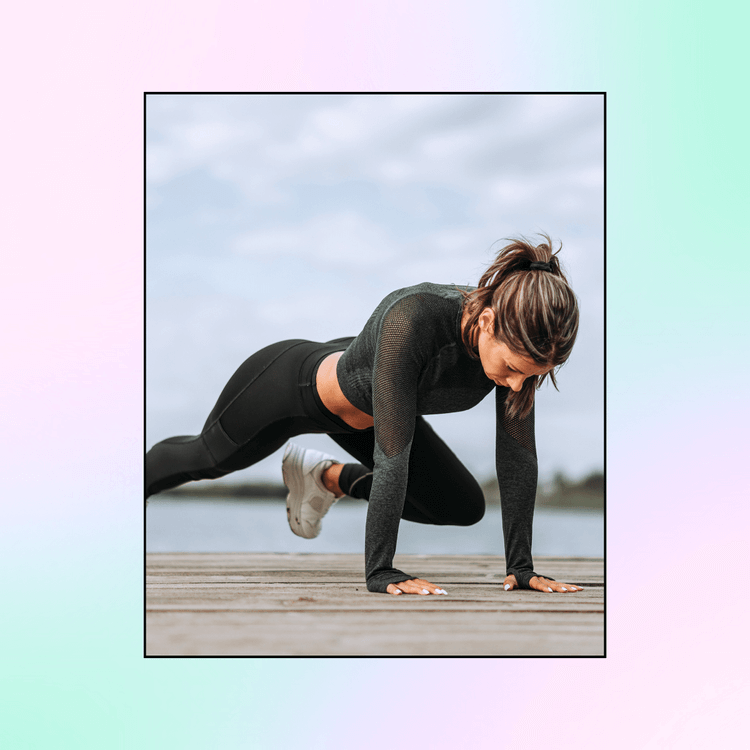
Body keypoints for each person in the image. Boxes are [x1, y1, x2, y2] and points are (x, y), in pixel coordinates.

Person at [146, 235, 584, 596]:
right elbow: (394, 457)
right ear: (488, 321)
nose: (514, 385)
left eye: (530, 377)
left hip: (367, 414)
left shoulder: (520, 350)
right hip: (288, 387)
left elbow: (517, 456)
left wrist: (522, 568)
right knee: (207, 458)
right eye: (510, 369)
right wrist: (382, 572)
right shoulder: (413, 318)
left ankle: (326, 477)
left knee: (461, 506)